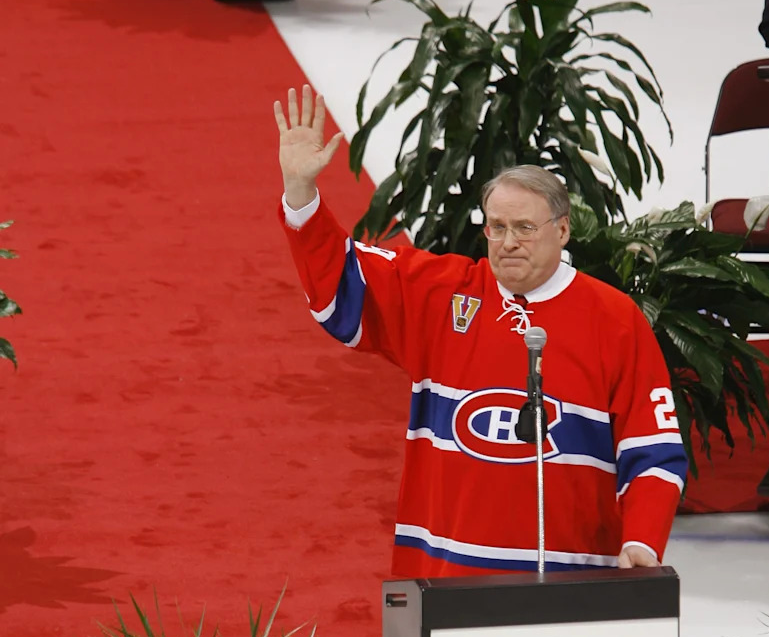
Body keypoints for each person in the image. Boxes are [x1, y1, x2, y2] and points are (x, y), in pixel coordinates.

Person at [274, 86, 688, 579]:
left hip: (571, 577)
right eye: (496, 227)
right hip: (448, 577)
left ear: (562, 230)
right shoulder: (441, 294)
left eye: (525, 228)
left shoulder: (615, 319)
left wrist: (642, 540)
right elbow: (342, 277)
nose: (508, 242)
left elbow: (654, 449)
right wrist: (300, 193)